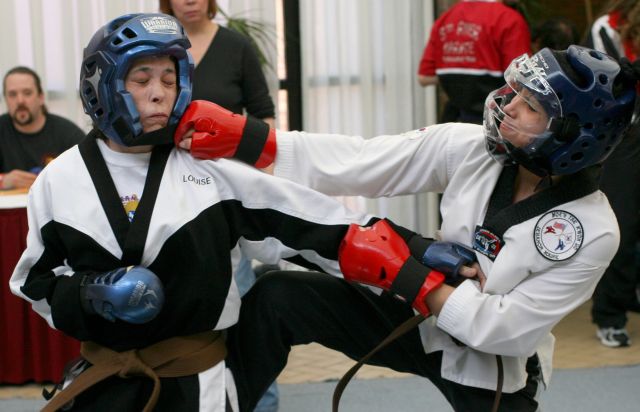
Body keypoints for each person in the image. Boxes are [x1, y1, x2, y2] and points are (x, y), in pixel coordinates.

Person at [9, 13, 469, 412]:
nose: (158, 94)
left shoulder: (211, 170)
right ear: (103, 84)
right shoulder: (61, 179)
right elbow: (34, 283)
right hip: (103, 381)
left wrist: (421, 254)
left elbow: (322, 225)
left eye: (169, 80)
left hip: (201, 386)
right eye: (142, 78)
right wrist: (90, 294)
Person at [174, 45, 639, 411]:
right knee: (278, 298)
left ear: (571, 136)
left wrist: (407, 273)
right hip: (419, 319)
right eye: (515, 91)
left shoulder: (593, 230)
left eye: (531, 106)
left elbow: (506, 331)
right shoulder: (470, 147)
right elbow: (359, 161)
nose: (509, 106)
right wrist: (254, 138)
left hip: (495, 367)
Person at [159, 2, 280, 407]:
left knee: (243, 305)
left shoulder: (235, 45)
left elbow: (264, 115)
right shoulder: (159, 46)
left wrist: (260, 176)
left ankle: (261, 401)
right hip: (169, 193)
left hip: (226, 191)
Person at [585, 0, 640, 347]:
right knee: (622, 223)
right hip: (628, 135)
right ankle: (610, 314)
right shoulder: (607, 26)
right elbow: (615, 77)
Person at [417, 0, 531, 124]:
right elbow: (521, 77)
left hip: (456, 121)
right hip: (496, 122)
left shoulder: (445, 19)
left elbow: (424, 77)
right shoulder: (508, 19)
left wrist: (460, 70)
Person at [0, 66, 84, 190]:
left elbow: (91, 176)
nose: (20, 101)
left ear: (41, 97)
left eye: (27, 93)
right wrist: (3, 180)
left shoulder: (68, 134)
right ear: (5, 99)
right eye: (12, 94)